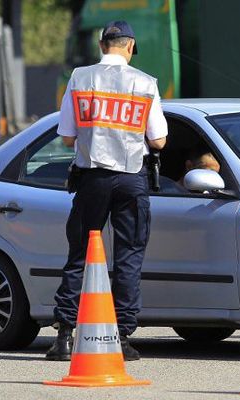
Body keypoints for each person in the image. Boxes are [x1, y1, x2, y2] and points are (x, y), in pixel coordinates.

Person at [46, 20, 168, 361]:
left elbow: (68, 136)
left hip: (91, 177)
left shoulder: (80, 78)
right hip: (131, 177)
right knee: (128, 255)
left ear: (102, 46)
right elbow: (158, 139)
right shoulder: (145, 83)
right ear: (130, 47)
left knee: (80, 255)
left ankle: (64, 337)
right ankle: (123, 337)